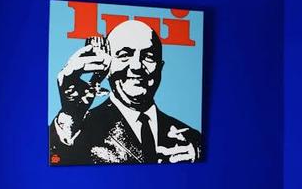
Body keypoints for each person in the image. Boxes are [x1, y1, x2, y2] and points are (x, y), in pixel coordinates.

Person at [49, 20, 202, 165]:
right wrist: (71, 113)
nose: (136, 66)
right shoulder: (78, 130)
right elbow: (55, 161)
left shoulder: (191, 138)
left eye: (148, 56)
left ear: (160, 67)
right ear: (106, 67)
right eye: (124, 55)